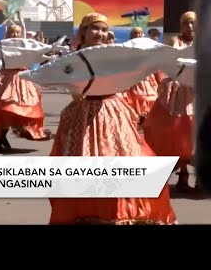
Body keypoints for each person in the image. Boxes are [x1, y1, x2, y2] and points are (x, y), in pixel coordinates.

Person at [48, 12, 176, 225]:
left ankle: (121, 211)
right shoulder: (74, 59)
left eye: (104, 29)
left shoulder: (114, 55)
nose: (99, 33)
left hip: (113, 109)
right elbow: (76, 93)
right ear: (84, 32)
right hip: (84, 111)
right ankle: (91, 211)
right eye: (94, 28)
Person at [142, 11, 197, 192]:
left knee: (195, 134)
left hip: (198, 92)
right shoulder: (175, 42)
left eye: (192, 23)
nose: (189, 27)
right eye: (186, 23)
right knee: (176, 132)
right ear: (181, 26)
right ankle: (181, 173)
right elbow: (170, 61)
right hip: (177, 93)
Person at [0, 23, 51, 152]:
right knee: (1, 109)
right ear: (8, 34)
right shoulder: (5, 45)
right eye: (12, 32)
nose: (15, 35)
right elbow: (3, 41)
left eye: (17, 32)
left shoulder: (24, 45)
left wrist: (22, 22)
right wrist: (7, 25)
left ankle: (6, 135)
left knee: (20, 109)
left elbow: (24, 37)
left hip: (21, 79)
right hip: (6, 79)